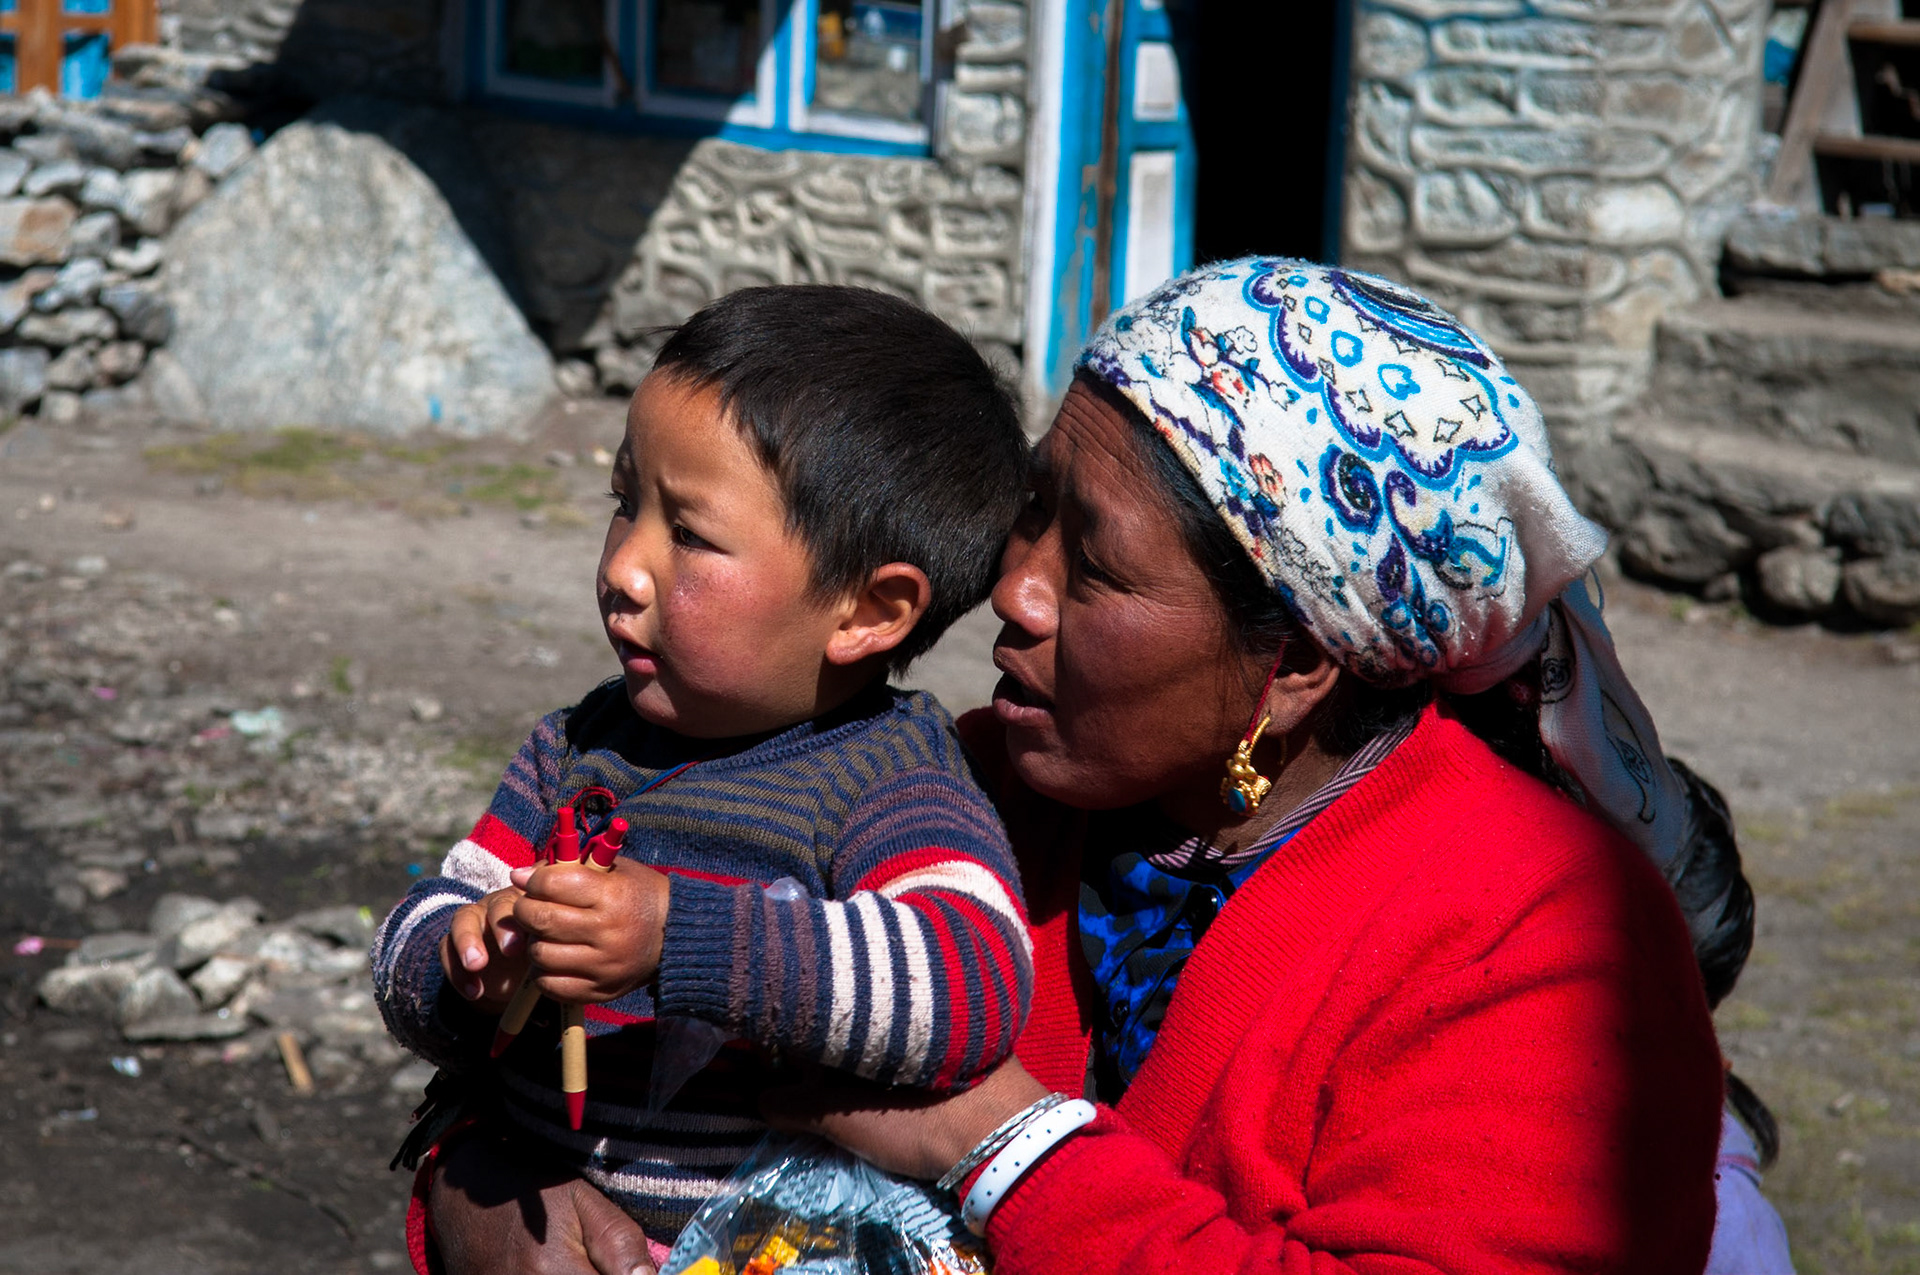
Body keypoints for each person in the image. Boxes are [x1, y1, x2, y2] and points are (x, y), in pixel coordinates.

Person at [428, 260, 1787, 1275]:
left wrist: (1001, 1141)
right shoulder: (945, 795)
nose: (1013, 591)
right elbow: (579, 1036)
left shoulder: (1540, 938)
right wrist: (476, 1188)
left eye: (1097, 567)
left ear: (1293, 666)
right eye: (1032, 513)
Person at [371, 285, 1035, 1272]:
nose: (624, 568)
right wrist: (471, 957)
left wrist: (673, 935)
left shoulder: (886, 776)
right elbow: (410, 941)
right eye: (624, 505)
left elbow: (971, 979)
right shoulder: (578, 745)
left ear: (868, 611)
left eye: (687, 534)